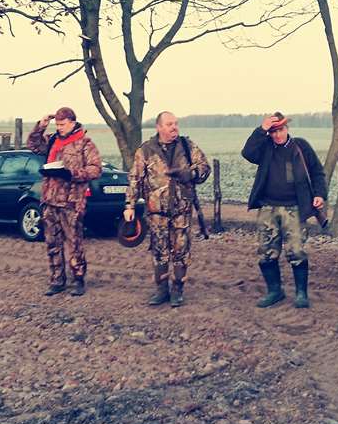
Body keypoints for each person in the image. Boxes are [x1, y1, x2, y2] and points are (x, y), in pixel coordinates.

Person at [123, 111, 210, 307]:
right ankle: (161, 291)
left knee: (181, 251)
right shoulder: (146, 150)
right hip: (156, 213)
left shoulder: (187, 146)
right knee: (159, 252)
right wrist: (129, 205)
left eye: (176, 123)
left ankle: (178, 290)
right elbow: (135, 179)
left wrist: (190, 173)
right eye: (169, 124)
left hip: (181, 211)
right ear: (159, 127)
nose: (174, 127)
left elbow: (205, 168)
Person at [241, 112, 327, 308]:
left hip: (294, 208)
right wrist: (261, 130)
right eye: (273, 132)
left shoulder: (301, 146)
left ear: (287, 128)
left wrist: (320, 194)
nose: (277, 135)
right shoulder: (265, 147)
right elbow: (247, 153)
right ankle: (274, 292)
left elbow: (317, 172)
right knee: (266, 252)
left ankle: (301, 294)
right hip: (268, 208)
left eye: (280, 130)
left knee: (296, 251)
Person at [27, 107, 102, 296]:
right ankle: (57, 280)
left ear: (72, 122)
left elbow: (95, 169)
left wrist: (71, 174)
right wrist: (41, 126)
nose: (59, 127)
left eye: (62, 124)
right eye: (57, 124)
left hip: (71, 202)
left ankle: (78, 280)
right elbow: (33, 145)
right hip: (50, 200)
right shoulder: (52, 140)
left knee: (74, 244)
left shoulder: (85, 143)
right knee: (52, 243)